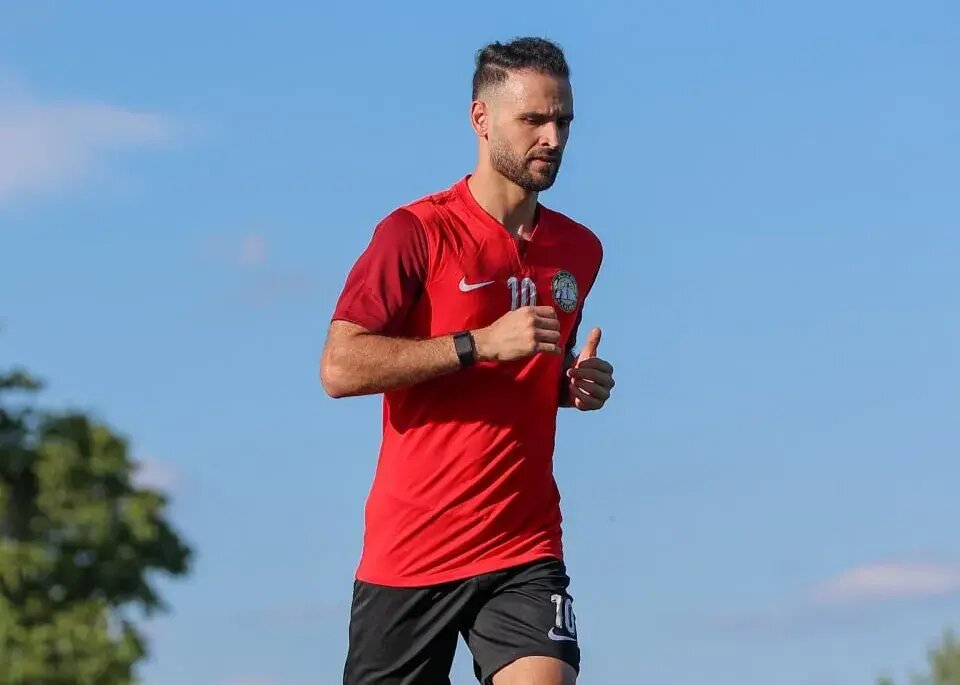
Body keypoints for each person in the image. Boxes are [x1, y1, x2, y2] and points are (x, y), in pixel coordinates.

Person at [321, 36, 615, 685]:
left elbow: (534, 365)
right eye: (533, 120)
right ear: (481, 119)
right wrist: (477, 344)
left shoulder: (580, 249)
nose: (553, 138)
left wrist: (570, 385)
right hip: (410, 554)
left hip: (523, 546)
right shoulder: (414, 232)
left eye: (563, 121)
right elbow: (340, 367)